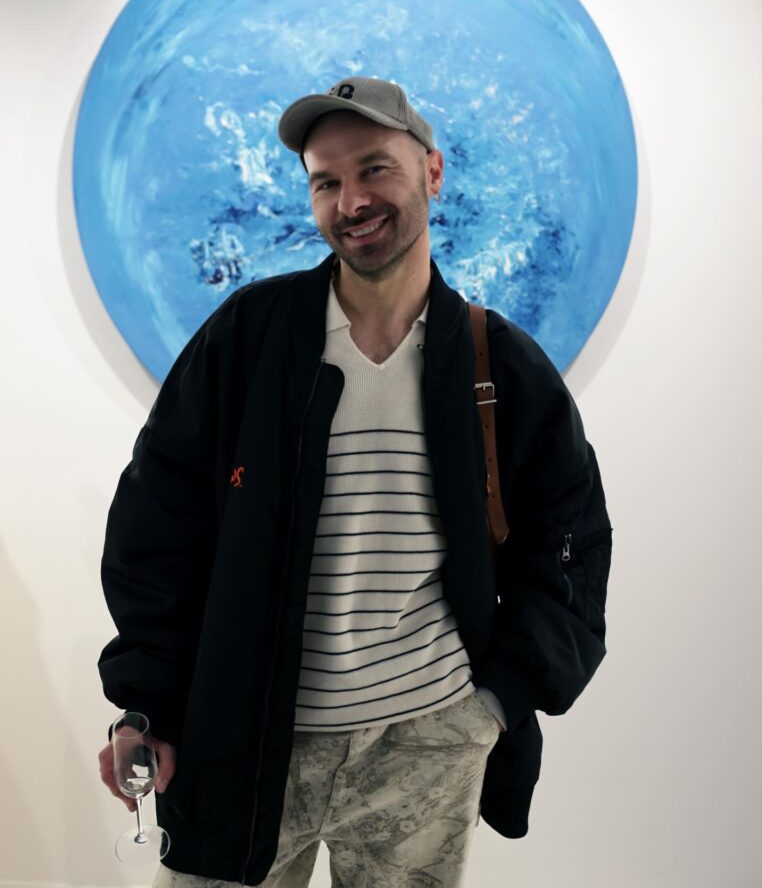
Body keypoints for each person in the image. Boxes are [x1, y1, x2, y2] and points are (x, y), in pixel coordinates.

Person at [97, 76, 613, 887]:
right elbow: (157, 530)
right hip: (246, 740)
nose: (351, 202)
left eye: (375, 169)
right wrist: (146, 703)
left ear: (433, 172)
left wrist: (493, 706)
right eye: (326, 182)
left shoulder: (499, 365)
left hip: (426, 746)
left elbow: (571, 542)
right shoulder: (248, 339)